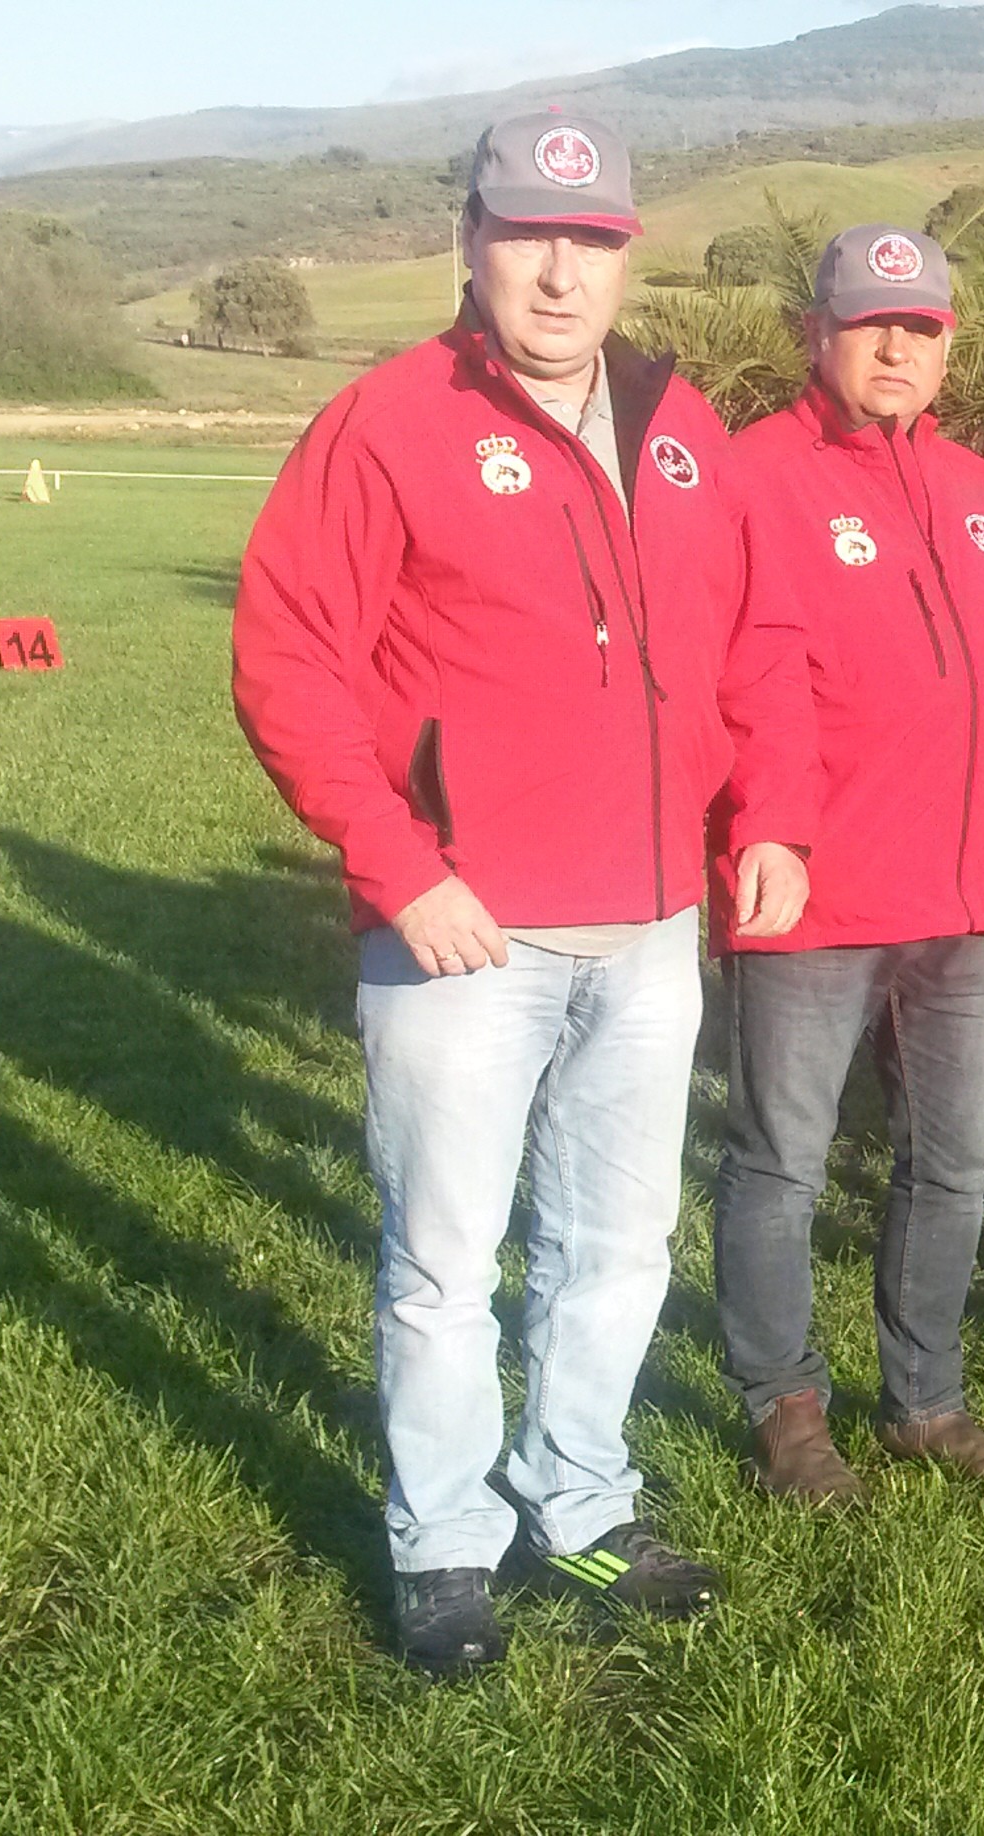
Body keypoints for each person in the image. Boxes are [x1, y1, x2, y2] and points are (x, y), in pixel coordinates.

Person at [233, 111, 805, 1675]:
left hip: (652, 924)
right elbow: (288, 663)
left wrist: (771, 814)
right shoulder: (386, 422)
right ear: (472, 243)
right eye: (530, 238)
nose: (562, 273)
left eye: (593, 242)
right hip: (463, 932)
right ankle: (444, 1546)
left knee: (618, 1248)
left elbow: (754, 642)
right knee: (444, 1264)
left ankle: (582, 1505)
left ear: (627, 255)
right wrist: (398, 868)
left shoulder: (681, 425)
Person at [709, 225, 984, 1506]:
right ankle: (787, 1411)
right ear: (817, 333)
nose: (897, 348)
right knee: (783, 1162)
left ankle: (927, 1403)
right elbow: (744, 671)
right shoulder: (754, 476)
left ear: (947, 346)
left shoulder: (980, 491)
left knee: (956, 1165)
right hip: (816, 889)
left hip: (966, 895)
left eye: (921, 328)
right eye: (871, 324)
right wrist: (773, 827)